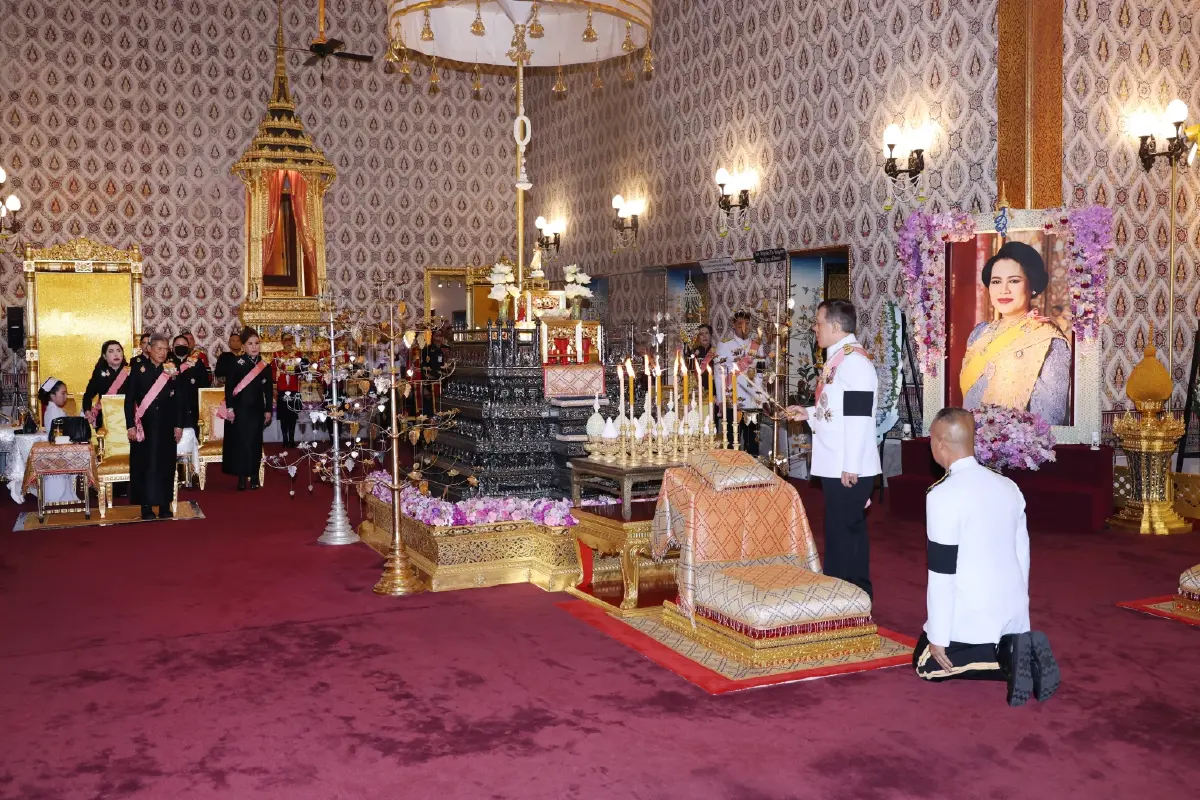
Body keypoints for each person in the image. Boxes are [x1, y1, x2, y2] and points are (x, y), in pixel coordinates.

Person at [912, 407, 1060, 707]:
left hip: (972, 613)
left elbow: (942, 571)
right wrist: (1021, 619)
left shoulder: (942, 495)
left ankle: (1007, 662)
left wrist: (938, 634)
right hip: (1011, 613)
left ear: (940, 444)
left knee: (924, 662)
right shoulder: (1008, 486)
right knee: (996, 638)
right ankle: (1019, 649)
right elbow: (1023, 555)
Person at [786, 299, 880, 599]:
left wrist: (851, 464)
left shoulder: (855, 362)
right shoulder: (839, 358)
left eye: (818, 323)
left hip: (848, 465)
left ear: (836, 327)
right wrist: (808, 413)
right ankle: (850, 593)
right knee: (843, 529)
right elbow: (835, 409)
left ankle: (843, 595)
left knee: (844, 532)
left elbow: (859, 417)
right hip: (837, 461)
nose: (815, 328)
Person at [960, 240, 1071, 426]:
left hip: (1019, 448)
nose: (1003, 290)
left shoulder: (1048, 339)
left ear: (1032, 286)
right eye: (996, 281)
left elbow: (1050, 418)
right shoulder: (979, 333)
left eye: (1014, 281)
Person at [124, 335, 183, 520]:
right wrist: (130, 426)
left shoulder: (171, 370)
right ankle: (146, 506)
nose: (163, 353)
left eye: (166, 349)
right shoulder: (137, 369)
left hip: (166, 425)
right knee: (145, 466)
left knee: (165, 465)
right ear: (149, 349)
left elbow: (180, 400)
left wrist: (178, 425)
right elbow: (129, 401)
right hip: (145, 426)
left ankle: (165, 505)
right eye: (159, 349)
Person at [221, 327, 273, 491]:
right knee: (241, 444)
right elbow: (229, 388)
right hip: (240, 410)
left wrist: (268, 410)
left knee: (255, 443)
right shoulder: (237, 363)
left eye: (257, 343)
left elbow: (269, 390)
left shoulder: (264, 365)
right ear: (243, 346)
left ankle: (255, 476)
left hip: (256, 411)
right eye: (250, 343)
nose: (254, 347)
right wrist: (230, 408)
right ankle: (242, 478)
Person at [716, 311, 767, 455]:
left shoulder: (757, 346)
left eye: (747, 324)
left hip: (752, 400)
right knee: (733, 442)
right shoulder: (724, 345)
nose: (744, 327)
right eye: (740, 324)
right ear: (733, 324)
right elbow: (719, 374)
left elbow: (760, 372)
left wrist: (759, 397)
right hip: (733, 399)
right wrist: (721, 399)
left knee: (753, 442)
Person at [38, 378, 81, 504]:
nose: (66, 397)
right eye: (63, 393)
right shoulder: (53, 411)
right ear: (52, 395)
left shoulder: (56, 410)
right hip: (57, 452)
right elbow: (59, 435)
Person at [81, 340, 130, 431]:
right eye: (111, 351)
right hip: (105, 420)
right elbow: (88, 395)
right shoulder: (99, 374)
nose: (116, 354)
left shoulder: (131, 372)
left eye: (118, 351)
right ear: (104, 356)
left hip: (127, 420)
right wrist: (88, 412)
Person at [170, 334, 211, 434]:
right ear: (172, 347)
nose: (181, 346)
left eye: (184, 344)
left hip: (193, 409)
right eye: (178, 344)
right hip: (172, 409)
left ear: (188, 347)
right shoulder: (167, 363)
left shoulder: (197, 363)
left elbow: (205, 386)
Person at [274, 333, 306, 447]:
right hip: (282, 388)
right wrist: (274, 387)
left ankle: (292, 438)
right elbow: (273, 371)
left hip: (294, 388)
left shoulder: (298, 354)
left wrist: (298, 368)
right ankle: (285, 438)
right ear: (282, 341)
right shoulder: (277, 354)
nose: (288, 342)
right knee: (283, 415)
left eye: (290, 340)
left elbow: (303, 370)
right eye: (286, 340)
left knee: (292, 414)